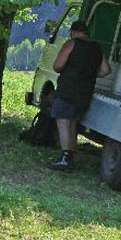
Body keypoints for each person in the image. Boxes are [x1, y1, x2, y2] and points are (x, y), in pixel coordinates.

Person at [47, 20, 111, 171]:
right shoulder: (96, 47)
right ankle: (70, 157)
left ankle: (65, 157)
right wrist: (90, 74)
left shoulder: (72, 43)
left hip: (68, 89)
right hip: (85, 92)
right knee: (73, 122)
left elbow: (57, 66)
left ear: (73, 32)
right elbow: (106, 70)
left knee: (63, 121)